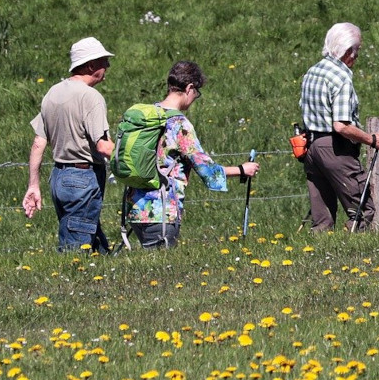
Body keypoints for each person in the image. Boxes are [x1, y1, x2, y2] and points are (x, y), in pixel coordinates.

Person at [123, 61, 259, 248]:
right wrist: (242, 169)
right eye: (197, 93)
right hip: (162, 210)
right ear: (189, 88)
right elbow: (206, 170)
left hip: (135, 208)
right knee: (162, 273)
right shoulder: (179, 123)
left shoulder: (148, 117)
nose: (195, 98)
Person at [22, 37, 115, 252]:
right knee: (75, 249)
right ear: (91, 65)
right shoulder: (91, 97)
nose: (107, 67)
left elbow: (38, 142)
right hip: (83, 177)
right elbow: (102, 146)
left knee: (89, 238)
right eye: (104, 61)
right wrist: (135, 158)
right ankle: (71, 278)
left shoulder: (52, 93)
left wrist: (33, 185)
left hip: (59, 178)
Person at [299, 22, 379, 232]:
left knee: (322, 219)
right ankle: (355, 253)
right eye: (358, 50)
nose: (357, 56)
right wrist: (372, 139)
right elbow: (341, 126)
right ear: (349, 51)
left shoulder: (313, 71)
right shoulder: (341, 78)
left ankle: (318, 256)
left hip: (310, 147)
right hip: (334, 149)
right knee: (362, 210)